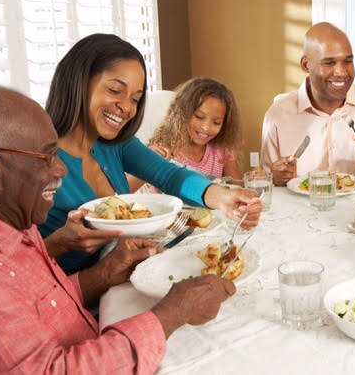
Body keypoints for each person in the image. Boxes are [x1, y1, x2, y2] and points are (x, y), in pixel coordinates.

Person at [0, 87, 237, 373]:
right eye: (47, 157)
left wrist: (105, 273)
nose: (61, 170)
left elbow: (47, 306)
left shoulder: (19, 227)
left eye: (135, 98)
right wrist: (171, 314)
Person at [42, 34, 261, 274]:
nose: (127, 107)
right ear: (78, 82)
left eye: (135, 99)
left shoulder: (116, 145)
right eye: (115, 90)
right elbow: (9, 264)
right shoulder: (38, 161)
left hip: (121, 279)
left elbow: (169, 176)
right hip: (67, 297)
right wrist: (57, 244)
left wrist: (222, 197)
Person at [261, 22, 355, 186]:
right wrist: (274, 179)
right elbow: (262, 187)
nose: (341, 72)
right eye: (329, 63)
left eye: (348, 61)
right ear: (306, 65)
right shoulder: (278, 115)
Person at [129, 77, 243, 192]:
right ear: (182, 114)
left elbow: (238, 188)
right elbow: (125, 190)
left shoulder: (221, 151)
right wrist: (150, 163)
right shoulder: (164, 149)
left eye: (216, 122)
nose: (206, 127)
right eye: (199, 117)